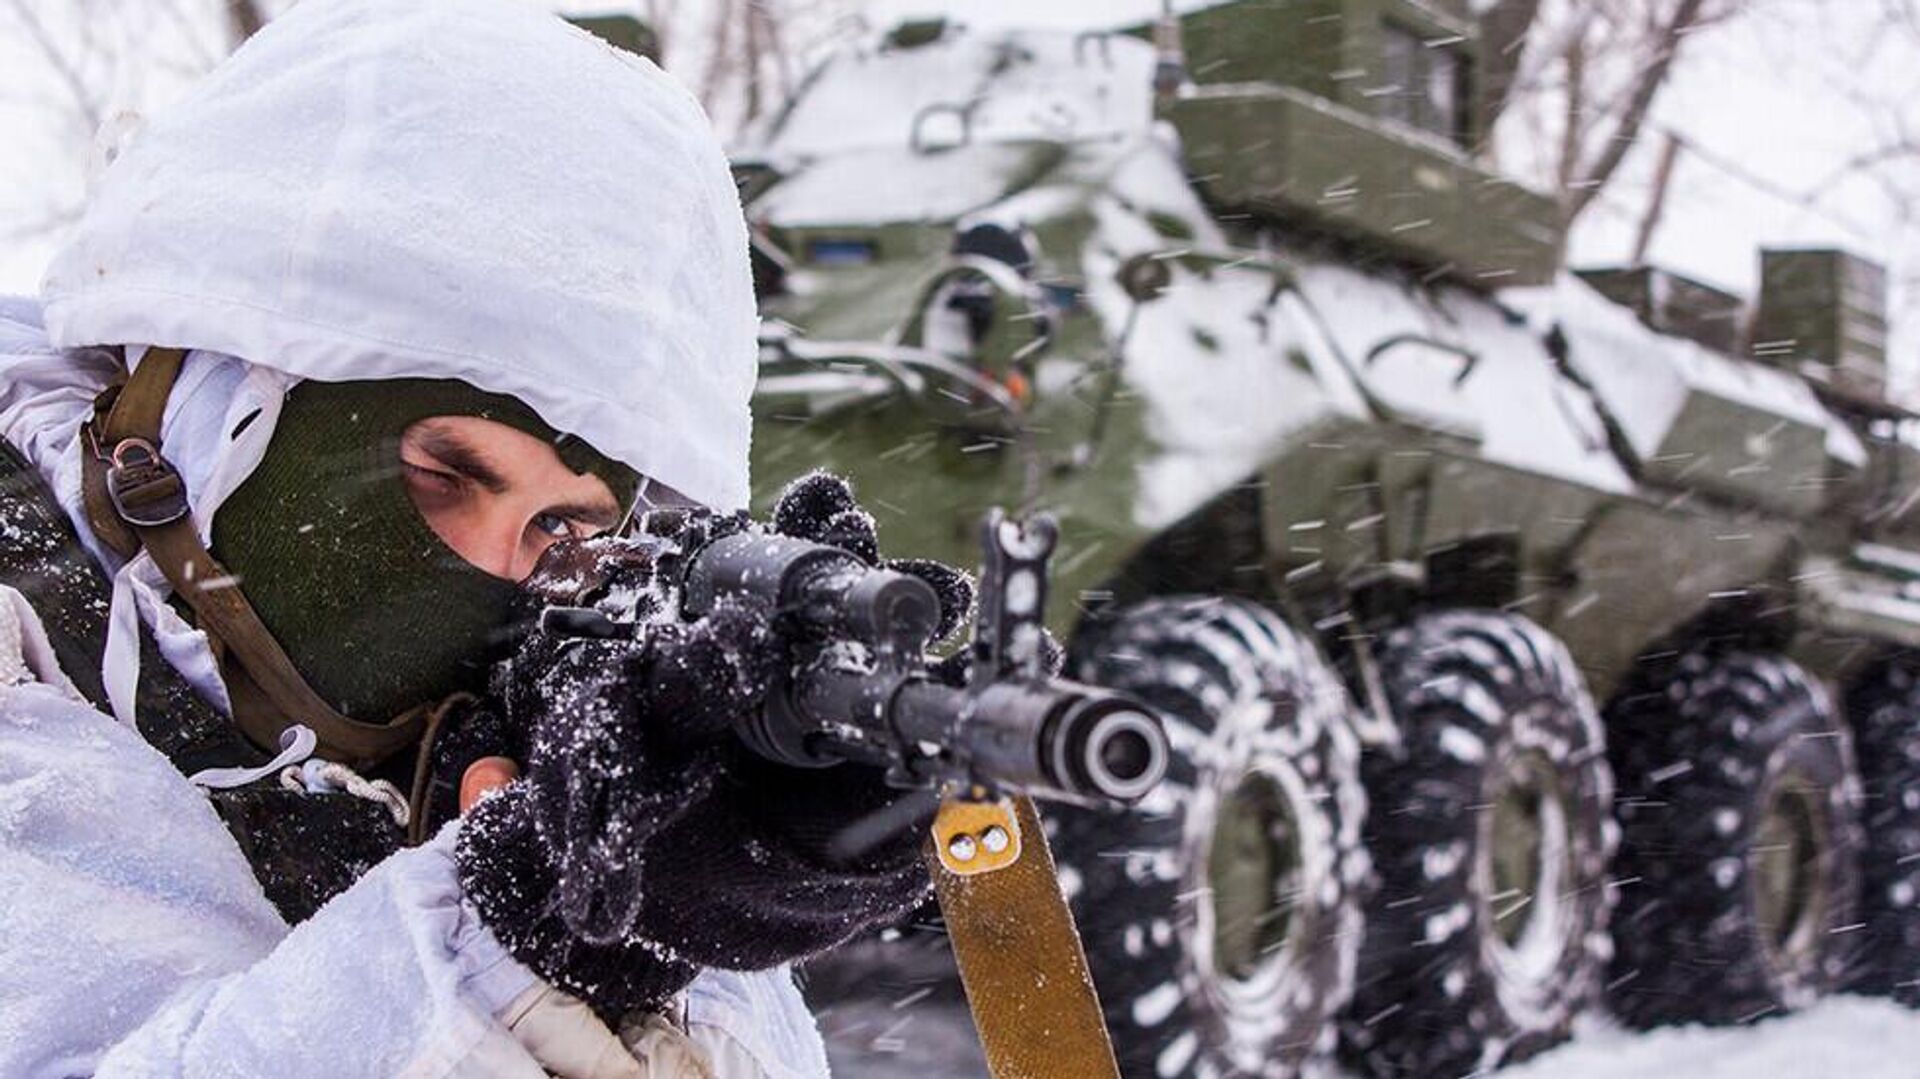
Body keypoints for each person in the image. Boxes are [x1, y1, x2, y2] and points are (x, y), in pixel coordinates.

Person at [0, 1, 960, 1074]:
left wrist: (667, 920)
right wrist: (507, 935)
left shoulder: (462, 733)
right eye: (447, 471)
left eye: (565, 528)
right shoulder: (24, 648)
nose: (499, 565)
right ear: (194, 397)